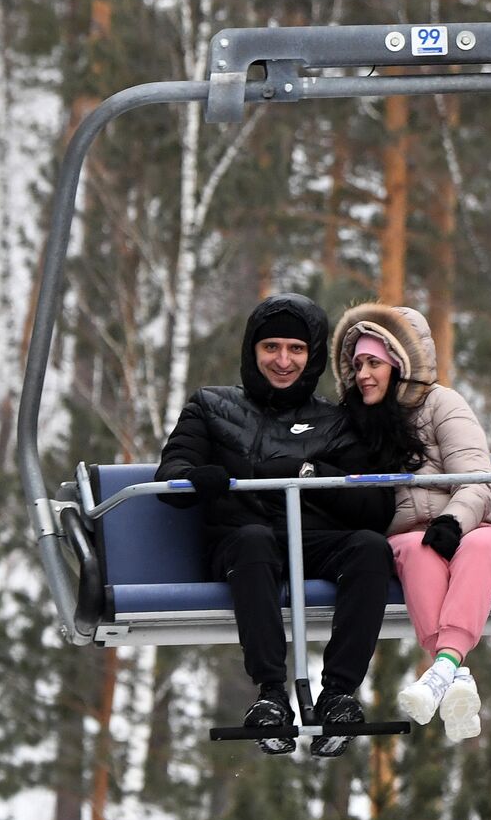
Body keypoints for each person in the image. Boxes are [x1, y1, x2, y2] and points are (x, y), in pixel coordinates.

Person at [155, 293, 394, 757]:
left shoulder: (337, 421)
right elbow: (171, 477)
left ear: (313, 356)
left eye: (296, 349)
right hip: (242, 543)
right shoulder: (211, 407)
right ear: (252, 351)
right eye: (271, 348)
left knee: (369, 547)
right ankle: (270, 695)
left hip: (313, 540)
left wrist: (303, 474)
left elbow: (372, 505)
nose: (283, 361)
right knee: (253, 540)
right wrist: (195, 479)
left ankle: (339, 694)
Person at [331, 302, 491, 741]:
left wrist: (454, 522)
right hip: (411, 540)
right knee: (416, 551)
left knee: (473, 550)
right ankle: (453, 675)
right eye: (357, 364)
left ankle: (440, 668)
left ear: (399, 365)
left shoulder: (443, 404)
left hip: (481, 529)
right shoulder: (358, 426)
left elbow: (477, 475)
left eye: (374, 363)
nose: (363, 374)